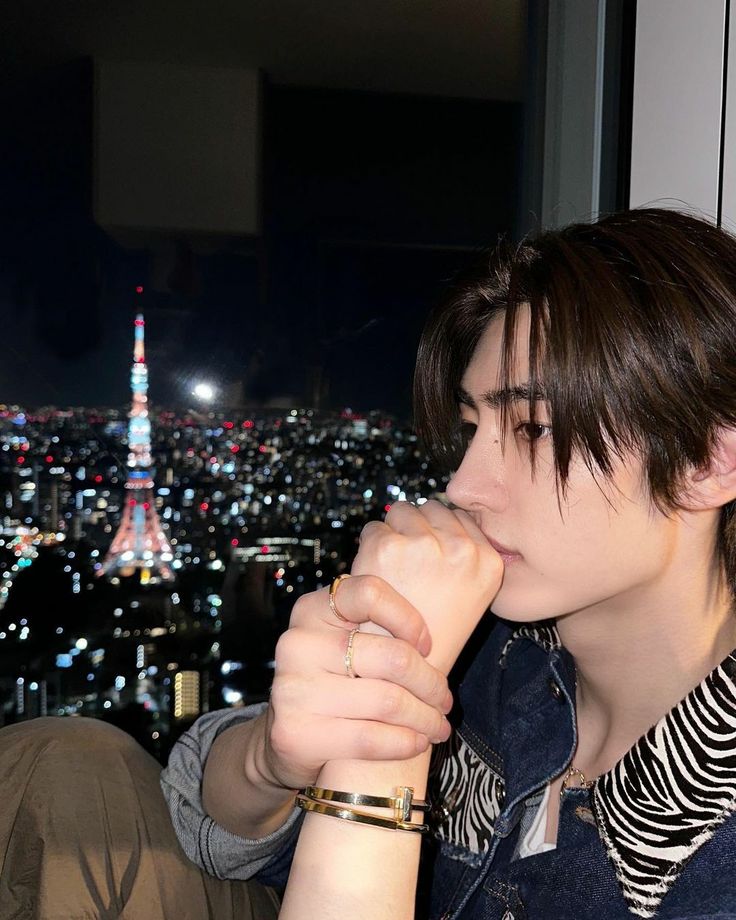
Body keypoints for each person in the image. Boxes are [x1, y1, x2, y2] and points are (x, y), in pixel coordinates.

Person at [162, 206, 736, 920]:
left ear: (708, 463)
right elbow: (201, 824)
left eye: (534, 427)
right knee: (69, 762)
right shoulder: (496, 658)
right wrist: (273, 759)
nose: (463, 485)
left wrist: (382, 758)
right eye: (472, 427)